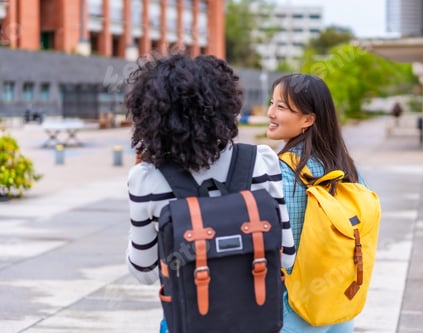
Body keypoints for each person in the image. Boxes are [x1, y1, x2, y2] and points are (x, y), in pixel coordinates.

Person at [124, 52, 296, 333]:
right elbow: (286, 256)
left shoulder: (146, 179)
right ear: (226, 106)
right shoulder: (262, 161)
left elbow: (143, 272)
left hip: (188, 321)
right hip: (256, 320)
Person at [266, 73, 361, 333]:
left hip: (294, 305)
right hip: (339, 302)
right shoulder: (347, 168)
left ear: (308, 119)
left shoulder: (281, 171)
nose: (270, 113)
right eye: (271, 103)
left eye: (281, 107)